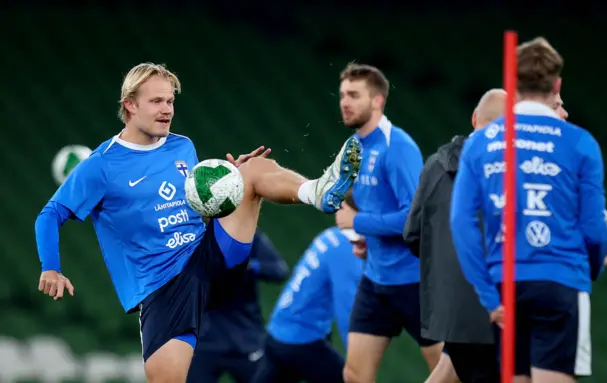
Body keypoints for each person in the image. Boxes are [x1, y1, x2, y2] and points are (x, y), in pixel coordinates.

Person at [34, 62, 363, 383]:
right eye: (157, 101)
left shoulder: (182, 145)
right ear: (130, 105)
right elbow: (49, 215)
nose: (167, 109)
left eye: (170, 101)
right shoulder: (100, 166)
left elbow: (199, 211)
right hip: (164, 287)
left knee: (252, 170)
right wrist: (51, 267)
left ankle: (318, 191)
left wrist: (230, 187)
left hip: (208, 259)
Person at [450, 37, 607, 383]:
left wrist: (489, 296)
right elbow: (595, 229)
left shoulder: (480, 143)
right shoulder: (581, 142)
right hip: (561, 283)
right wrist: (592, 267)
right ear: (556, 84)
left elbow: (460, 224)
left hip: (504, 284)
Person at [333, 63, 441, 383]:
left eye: (354, 95)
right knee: (354, 374)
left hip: (415, 282)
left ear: (378, 101)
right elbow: (382, 207)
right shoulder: (356, 148)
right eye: (342, 95)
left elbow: (415, 218)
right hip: (376, 280)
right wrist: (368, 240)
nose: (345, 102)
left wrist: (359, 222)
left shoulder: (398, 147)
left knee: (448, 373)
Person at [404, 89, 506, 383]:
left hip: (448, 312)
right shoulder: (511, 172)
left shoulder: (436, 164)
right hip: (491, 314)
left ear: (475, 119)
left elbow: (412, 235)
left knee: (447, 372)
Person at [251, 195, 364, 383]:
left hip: (278, 333)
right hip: (300, 341)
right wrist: (360, 365)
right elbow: (349, 313)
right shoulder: (346, 249)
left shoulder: (331, 235)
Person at [187, 228, 289, 383]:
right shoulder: (193, 237)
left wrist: (248, 266)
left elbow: (279, 270)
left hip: (245, 338)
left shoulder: (248, 236)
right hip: (205, 340)